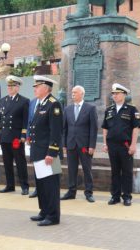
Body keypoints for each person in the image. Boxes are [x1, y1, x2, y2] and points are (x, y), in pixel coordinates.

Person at [28, 75, 63, 226]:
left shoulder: (53, 104)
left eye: (37, 86)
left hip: (48, 154)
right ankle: (44, 211)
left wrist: (52, 153)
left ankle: (53, 216)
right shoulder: (40, 104)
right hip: (38, 152)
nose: (35, 89)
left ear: (46, 88)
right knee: (41, 185)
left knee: (51, 186)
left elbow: (56, 131)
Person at [102, 83, 140, 206]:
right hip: (112, 145)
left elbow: (136, 128)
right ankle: (115, 196)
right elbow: (105, 128)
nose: (114, 95)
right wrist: (105, 144)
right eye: (113, 93)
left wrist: (133, 145)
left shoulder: (131, 109)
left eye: (117, 93)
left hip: (125, 145)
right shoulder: (109, 110)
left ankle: (127, 196)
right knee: (115, 171)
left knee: (126, 171)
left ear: (124, 94)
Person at [0, 75, 30, 195]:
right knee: (7, 163)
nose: (9, 88)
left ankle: (24, 186)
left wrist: (23, 136)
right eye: (8, 86)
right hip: (4, 137)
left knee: (20, 162)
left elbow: (25, 120)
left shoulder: (24, 101)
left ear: (17, 87)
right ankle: (10, 185)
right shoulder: (2, 101)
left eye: (12, 86)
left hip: (16, 138)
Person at [61, 85, 98, 203]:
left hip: (84, 145)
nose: (72, 94)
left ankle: (89, 192)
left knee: (87, 169)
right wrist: (64, 144)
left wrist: (92, 145)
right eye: (72, 93)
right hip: (71, 144)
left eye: (75, 93)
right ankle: (71, 192)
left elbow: (94, 128)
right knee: (72, 169)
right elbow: (64, 128)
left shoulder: (90, 108)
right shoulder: (67, 109)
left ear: (82, 94)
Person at [27, 97, 39, 198]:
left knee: (51, 169)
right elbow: (29, 121)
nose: (35, 90)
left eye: (37, 87)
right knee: (36, 165)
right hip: (34, 141)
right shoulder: (33, 102)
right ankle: (37, 188)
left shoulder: (54, 102)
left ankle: (50, 190)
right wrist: (28, 136)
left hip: (47, 143)